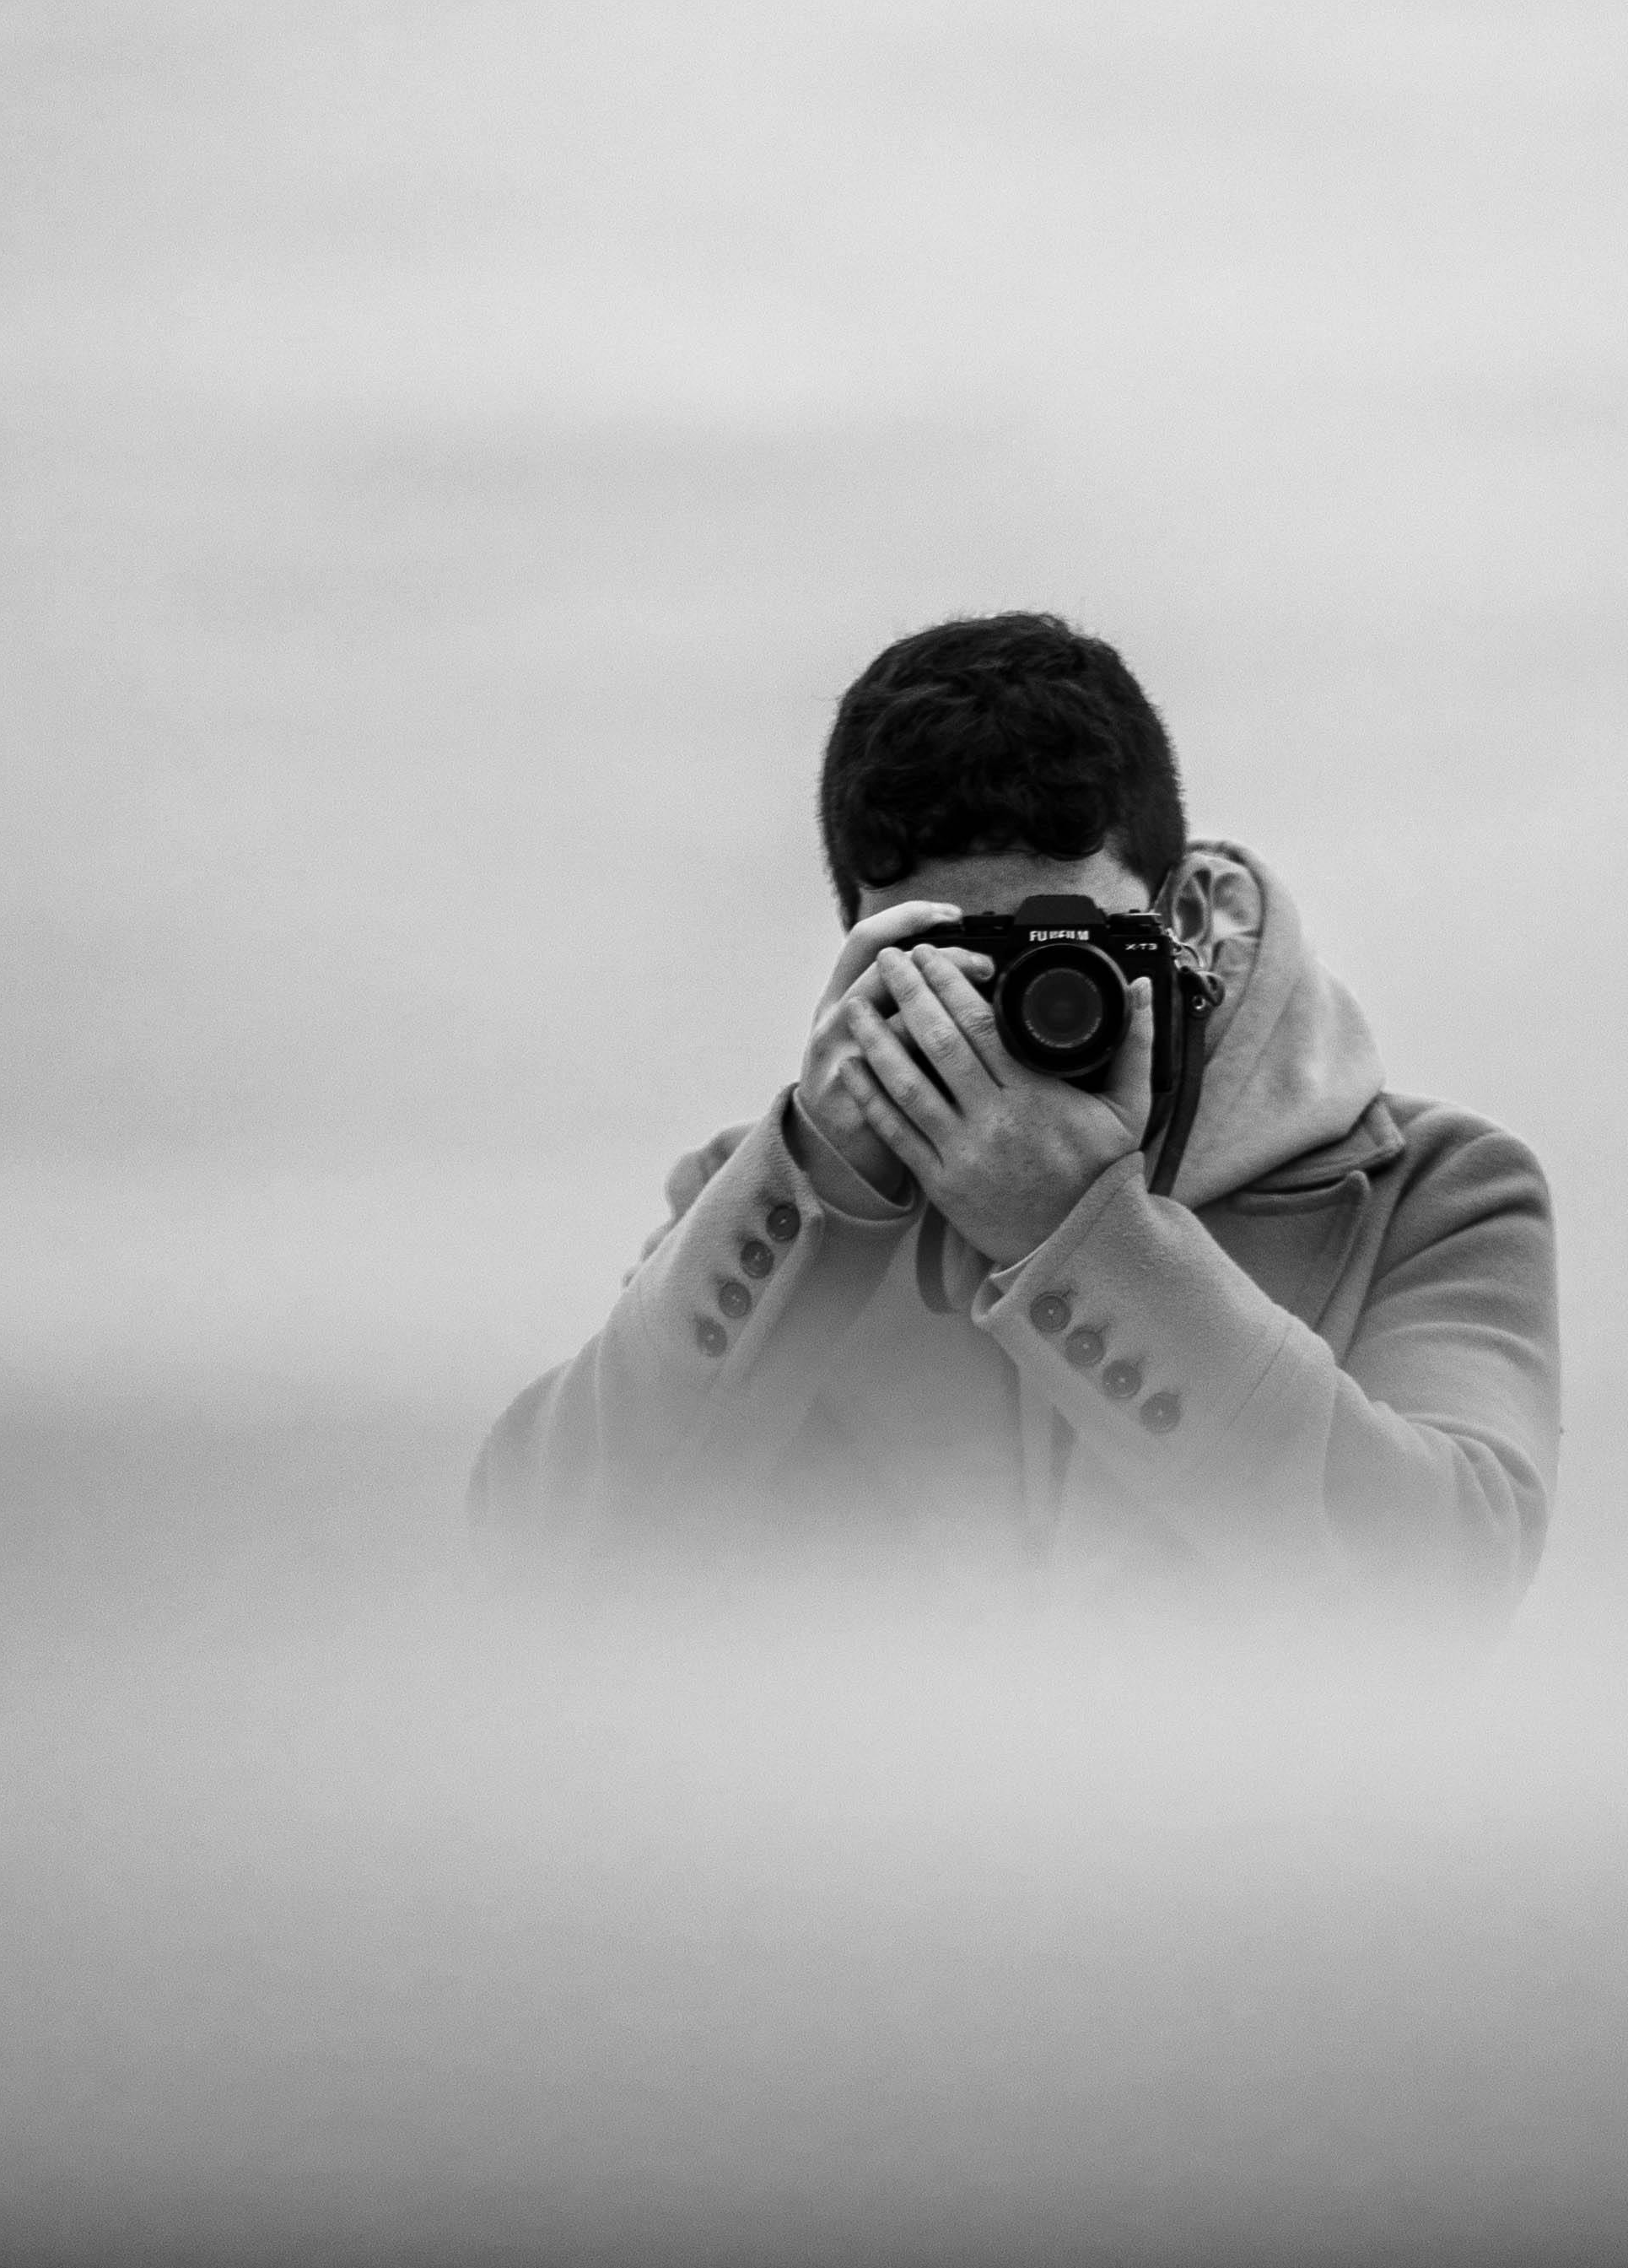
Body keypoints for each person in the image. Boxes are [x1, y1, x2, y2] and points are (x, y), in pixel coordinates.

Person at [472, 613, 1557, 1610]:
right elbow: (542, 1558)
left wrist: (1084, 1236)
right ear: (854, 949)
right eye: (945, 958)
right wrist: (816, 1184)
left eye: (1058, 944)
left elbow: (1446, 1593)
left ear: (1183, 914)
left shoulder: (1437, 1192)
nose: (1008, 1007)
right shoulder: (760, 1200)